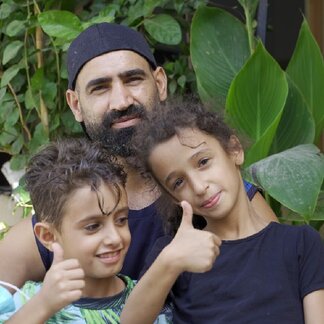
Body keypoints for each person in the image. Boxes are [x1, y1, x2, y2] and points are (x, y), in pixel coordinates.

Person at [0, 23, 277, 289]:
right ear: (75, 105)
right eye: (101, 88)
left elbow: (284, 283)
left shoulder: (217, 192)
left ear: (159, 83)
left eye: (133, 79)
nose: (121, 101)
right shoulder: (65, 213)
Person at [120, 98, 324, 324]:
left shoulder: (300, 244)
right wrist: (170, 260)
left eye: (203, 162)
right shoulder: (173, 253)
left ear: (234, 150)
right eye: (178, 183)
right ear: (173, 198)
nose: (198, 187)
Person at [0, 137, 172, 323]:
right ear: (48, 236)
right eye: (93, 227)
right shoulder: (27, 302)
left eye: (121, 220)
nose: (114, 238)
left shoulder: (151, 302)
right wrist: (43, 305)